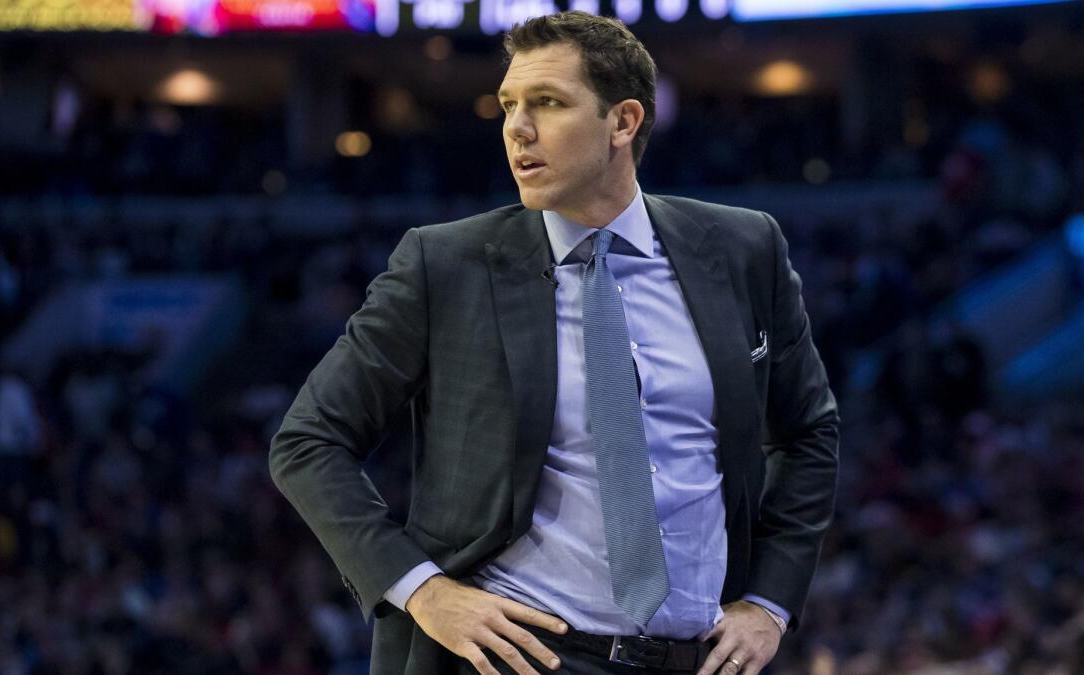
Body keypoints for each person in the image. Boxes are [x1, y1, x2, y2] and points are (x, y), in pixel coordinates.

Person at [269, 11, 839, 675]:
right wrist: (421, 589)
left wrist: (769, 600)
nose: (516, 127)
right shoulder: (445, 263)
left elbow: (807, 434)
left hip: (702, 656)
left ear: (623, 122)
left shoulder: (745, 247)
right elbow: (307, 441)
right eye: (509, 104)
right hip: (516, 654)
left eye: (548, 103)